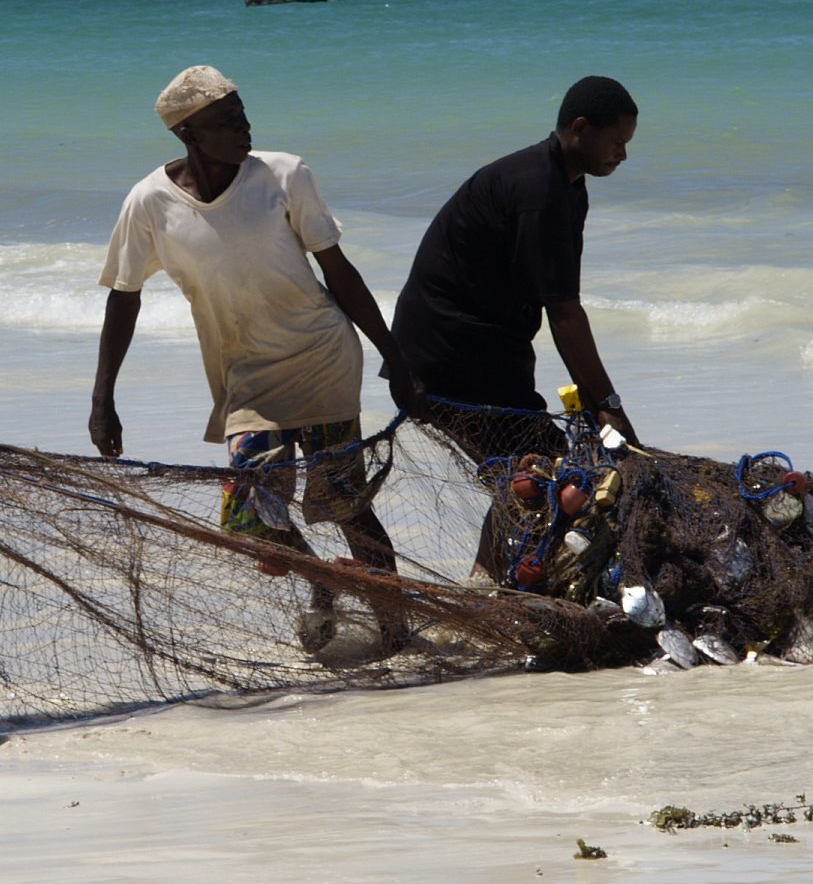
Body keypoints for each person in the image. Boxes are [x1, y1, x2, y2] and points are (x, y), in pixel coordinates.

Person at [89, 67, 422, 620]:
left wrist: (398, 359)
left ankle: (394, 630)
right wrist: (104, 399)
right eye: (226, 123)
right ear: (188, 136)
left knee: (345, 507)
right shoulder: (149, 203)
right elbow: (124, 297)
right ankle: (324, 584)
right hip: (245, 377)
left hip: (322, 359)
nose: (244, 130)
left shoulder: (284, 175)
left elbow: (339, 272)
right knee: (248, 519)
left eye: (243, 116)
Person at [390, 76, 640, 447]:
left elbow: (555, 299)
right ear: (581, 129)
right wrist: (609, 406)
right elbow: (564, 312)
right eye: (617, 142)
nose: (623, 154)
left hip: (484, 353)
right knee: (542, 473)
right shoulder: (538, 191)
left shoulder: (567, 186)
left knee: (537, 478)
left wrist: (595, 401)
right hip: (446, 358)